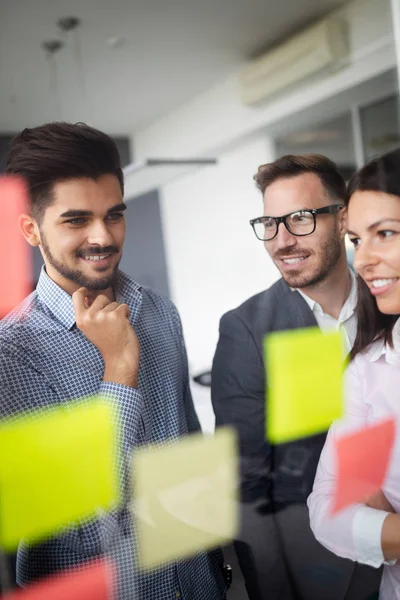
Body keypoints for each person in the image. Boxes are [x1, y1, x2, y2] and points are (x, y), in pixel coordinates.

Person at [0, 122, 227, 600]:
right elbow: (73, 530)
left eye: (114, 215)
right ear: (30, 229)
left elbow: (187, 449)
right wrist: (119, 370)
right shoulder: (12, 355)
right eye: (76, 220)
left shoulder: (161, 311)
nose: (102, 236)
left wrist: (212, 568)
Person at [211, 154, 382, 600]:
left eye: (301, 219)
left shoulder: (388, 294)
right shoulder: (247, 329)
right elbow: (246, 484)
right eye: (269, 223)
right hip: (327, 572)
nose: (282, 240)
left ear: (342, 218)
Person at [308, 148, 400, 599]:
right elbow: (328, 509)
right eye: (358, 240)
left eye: (384, 233)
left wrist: (385, 521)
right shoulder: (368, 369)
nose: (362, 260)